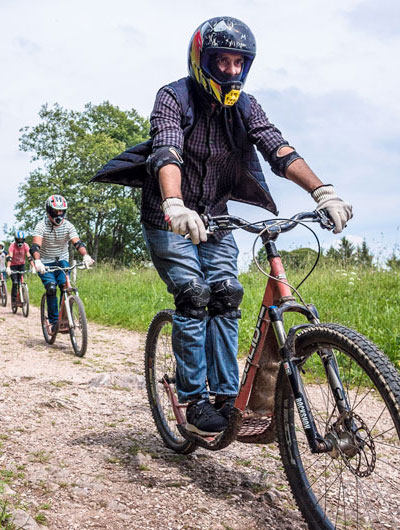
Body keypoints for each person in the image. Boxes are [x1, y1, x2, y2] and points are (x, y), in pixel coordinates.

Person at [94, 16, 352, 436]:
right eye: (222, 61)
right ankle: (195, 401)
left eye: (239, 62)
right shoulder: (173, 97)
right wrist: (174, 203)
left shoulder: (247, 106)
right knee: (194, 295)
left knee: (226, 294)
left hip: (215, 216)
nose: (231, 70)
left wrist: (323, 192)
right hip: (169, 217)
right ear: (201, 59)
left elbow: (278, 148)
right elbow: (166, 150)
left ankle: (227, 396)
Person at [30, 194, 94, 330]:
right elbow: (35, 246)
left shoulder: (68, 226)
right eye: (55, 211)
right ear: (49, 211)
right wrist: (37, 261)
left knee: (66, 287)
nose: (59, 214)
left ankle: (65, 317)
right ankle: (54, 323)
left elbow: (78, 243)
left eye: (61, 211)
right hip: (45, 263)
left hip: (62, 261)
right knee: (51, 288)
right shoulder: (41, 226)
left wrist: (86, 255)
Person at [6, 231, 35, 308]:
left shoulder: (25, 246)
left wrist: (33, 267)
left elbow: (29, 257)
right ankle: (14, 301)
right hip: (13, 266)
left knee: (21, 281)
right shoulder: (12, 246)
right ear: (16, 239)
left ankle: (23, 296)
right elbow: (10, 257)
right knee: (15, 282)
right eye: (18, 240)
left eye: (21, 240)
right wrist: (8, 267)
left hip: (21, 265)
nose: (20, 242)